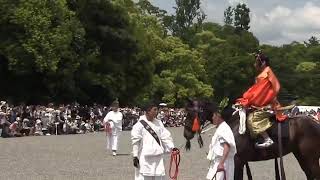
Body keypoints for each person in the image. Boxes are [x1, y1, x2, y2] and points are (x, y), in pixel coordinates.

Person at [236, 51, 285, 148]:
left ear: (263, 63)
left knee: (252, 119)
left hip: (268, 105)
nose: (254, 65)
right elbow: (256, 91)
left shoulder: (265, 75)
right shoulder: (265, 73)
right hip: (266, 103)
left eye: (256, 62)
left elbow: (258, 94)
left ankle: (267, 139)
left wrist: (247, 100)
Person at [131, 103, 176, 180]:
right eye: (154, 110)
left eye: (157, 109)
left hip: (158, 157)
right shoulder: (138, 125)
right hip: (145, 157)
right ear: (148, 111)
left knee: (159, 176)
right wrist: (135, 156)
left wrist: (172, 147)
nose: (157, 111)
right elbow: (136, 141)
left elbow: (165, 136)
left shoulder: (159, 123)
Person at [206, 111, 236, 180]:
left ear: (218, 116)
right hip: (219, 161)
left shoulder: (224, 129)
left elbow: (227, 146)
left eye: (213, 116)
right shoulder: (221, 127)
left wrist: (221, 163)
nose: (212, 118)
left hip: (223, 162)